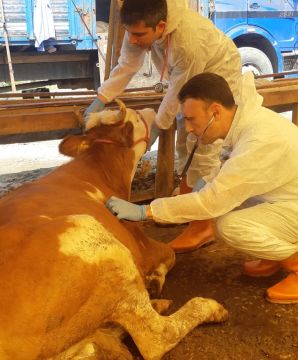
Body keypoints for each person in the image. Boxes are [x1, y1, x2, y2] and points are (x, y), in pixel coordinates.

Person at [105, 72, 298, 304]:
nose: (188, 128)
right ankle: (275, 255)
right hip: (292, 201)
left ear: (215, 112)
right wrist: (208, 182)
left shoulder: (259, 137)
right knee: (228, 201)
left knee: (230, 226)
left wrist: (146, 211)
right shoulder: (249, 124)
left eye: (191, 119)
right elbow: (232, 176)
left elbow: (213, 201)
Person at [85, 0, 243, 253]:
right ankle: (184, 210)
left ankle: (202, 227)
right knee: (185, 144)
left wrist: (158, 123)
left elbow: (179, 88)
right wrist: (101, 98)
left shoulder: (188, 41)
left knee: (199, 144)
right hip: (186, 76)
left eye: (138, 35)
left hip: (218, 73)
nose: (133, 40)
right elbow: (128, 63)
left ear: (160, 26)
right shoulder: (139, 22)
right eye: (130, 33)